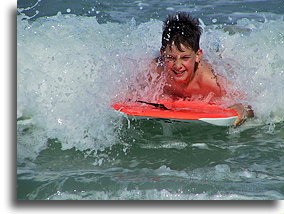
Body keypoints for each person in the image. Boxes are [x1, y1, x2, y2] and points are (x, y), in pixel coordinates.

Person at [150, 12, 254, 127]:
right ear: (162, 53)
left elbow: (251, 105)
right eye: (170, 57)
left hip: (218, 63)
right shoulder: (155, 71)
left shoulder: (212, 82)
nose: (177, 65)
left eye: (185, 58)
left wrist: (241, 110)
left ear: (198, 55)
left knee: (221, 57)